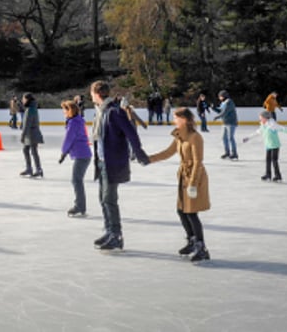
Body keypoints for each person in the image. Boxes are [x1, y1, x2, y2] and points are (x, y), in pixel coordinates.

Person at [90, 80, 149, 252]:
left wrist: (139, 154)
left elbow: (131, 133)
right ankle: (109, 231)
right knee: (103, 198)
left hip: (112, 162)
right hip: (101, 162)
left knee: (109, 200)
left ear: (97, 94)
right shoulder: (100, 112)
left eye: (92, 93)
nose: (90, 96)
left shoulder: (114, 112)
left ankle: (116, 235)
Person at [148, 107, 211, 261]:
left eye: (176, 118)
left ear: (184, 119)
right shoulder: (179, 136)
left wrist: (193, 184)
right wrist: (148, 159)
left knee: (191, 212)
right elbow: (167, 153)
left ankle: (201, 248)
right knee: (181, 211)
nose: (173, 121)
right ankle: (192, 241)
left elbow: (198, 162)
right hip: (183, 177)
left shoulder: (195, 137)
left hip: (194, 177)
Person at [58, 99, 92, 217]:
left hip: (82, 155)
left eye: (64, 110)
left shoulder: (74, 123)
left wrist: (63, 153)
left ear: (70, 110)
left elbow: (69, 138)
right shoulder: (77, 121)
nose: (63, 112)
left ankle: (80, 206)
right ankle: (80, 206)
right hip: (83, 154)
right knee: (77, 180)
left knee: (76, 180)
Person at [244, 111, 283, 182]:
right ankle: (268, 175)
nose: (260, 119)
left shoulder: (272, 124)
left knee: (274, 161)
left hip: (274, 145)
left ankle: (278, 176)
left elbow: (281, 128)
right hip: (268, 145)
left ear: (265, 117)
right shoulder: (263, 125)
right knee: (268, 160)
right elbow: (257, 132)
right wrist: (248, 137)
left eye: (261, 118)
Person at [19, 93, 45, 177]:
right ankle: (29, 168)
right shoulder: (32, 108)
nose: (22, 101)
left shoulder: (30, 109)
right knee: (26, 150)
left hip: (31, 134)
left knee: (33, 151)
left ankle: (38, 169)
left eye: (23, 99)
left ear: (27, 99)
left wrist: (23, 136)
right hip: (31, 133)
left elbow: (27, 124)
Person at [214, 90, 238, 160]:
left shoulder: (229, 102)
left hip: (231, 123)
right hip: (225, 123)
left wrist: (217, 117)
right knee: (224, 138)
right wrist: (214, 108)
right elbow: (220, 111)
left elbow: (225, 112)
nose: (219, 98)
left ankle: (234, 153)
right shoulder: (223, 103)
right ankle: (227, 152)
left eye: (220, 96)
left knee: (231, 138)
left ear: (223, 96)